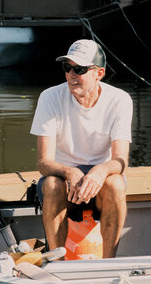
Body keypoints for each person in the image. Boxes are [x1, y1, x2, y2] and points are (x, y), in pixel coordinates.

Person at [29, 39, 133, 258]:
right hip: (62, 182)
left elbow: (121, 161)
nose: (71, 75)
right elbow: (43, 163)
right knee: (52, 183)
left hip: (100, 184)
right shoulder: (49, 97)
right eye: (67, 68)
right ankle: (58, 262)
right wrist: (69, 171)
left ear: (99, 73)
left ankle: (109, 262)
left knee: (114, 182)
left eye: (80, 69)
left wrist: (100, 171)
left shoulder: (120, 100)